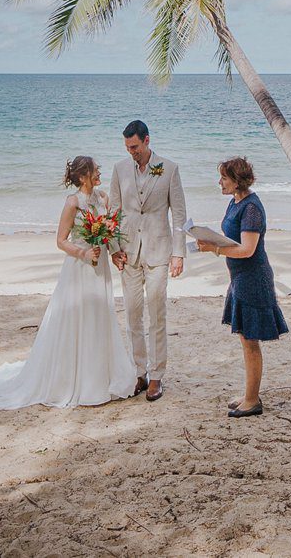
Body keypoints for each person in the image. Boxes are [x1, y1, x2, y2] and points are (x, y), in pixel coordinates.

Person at [0, 156, 139, 410]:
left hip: (100, 266)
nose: (99, 173)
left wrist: (114, 251)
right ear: (83, 176)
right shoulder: (73, 203)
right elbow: (61, 240)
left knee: (99, 317)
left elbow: (110, 232)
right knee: (77, 318)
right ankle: (77, 380)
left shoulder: (102, 198)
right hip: (79, 267)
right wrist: (83, 253)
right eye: (95, 170)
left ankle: (101, 377)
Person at [191, 155, 285, 416]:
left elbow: (247, 250)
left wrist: (215, 249)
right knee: (245, 338)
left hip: (253, 278)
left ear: (236, 181)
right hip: (239, 278)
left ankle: (253, 401)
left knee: (250, 341)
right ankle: (249, 393)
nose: (219, 182)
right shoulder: (235, 202)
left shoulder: (252, 208)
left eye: (223, 177)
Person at [105, 118, 187, 401]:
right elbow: (113, 212)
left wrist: (179, 253)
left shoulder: (169, 169)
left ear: (147, 140)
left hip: (158, 251)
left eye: (136, 146)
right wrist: (114, 248)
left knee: (157, 314)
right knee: (132, 315)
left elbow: (179, 216)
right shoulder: (119, 169)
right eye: (128, 147)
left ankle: (156, 376)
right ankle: (139, 372)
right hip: (128, 252)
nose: (132, 152)